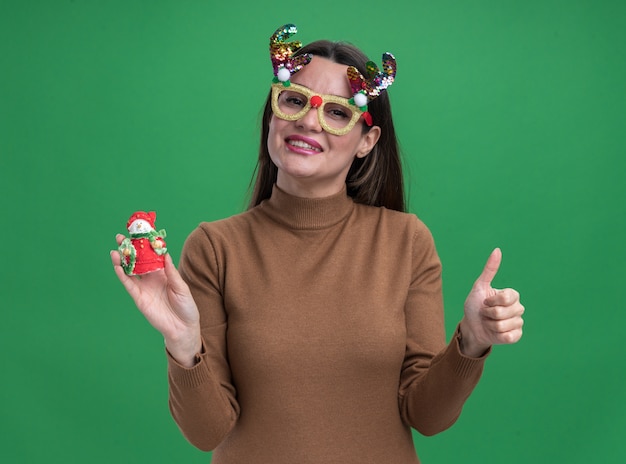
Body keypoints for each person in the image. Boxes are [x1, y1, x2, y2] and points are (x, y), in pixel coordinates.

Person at [111, 24, 524, 464]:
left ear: (367, 140)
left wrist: (472, 342)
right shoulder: (216, 247)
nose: (308, 120)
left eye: (338, 113)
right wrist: (183, 342)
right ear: (273, 113)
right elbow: (207, 431)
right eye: (294, 100)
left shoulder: (406, 242)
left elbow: (426, 415)